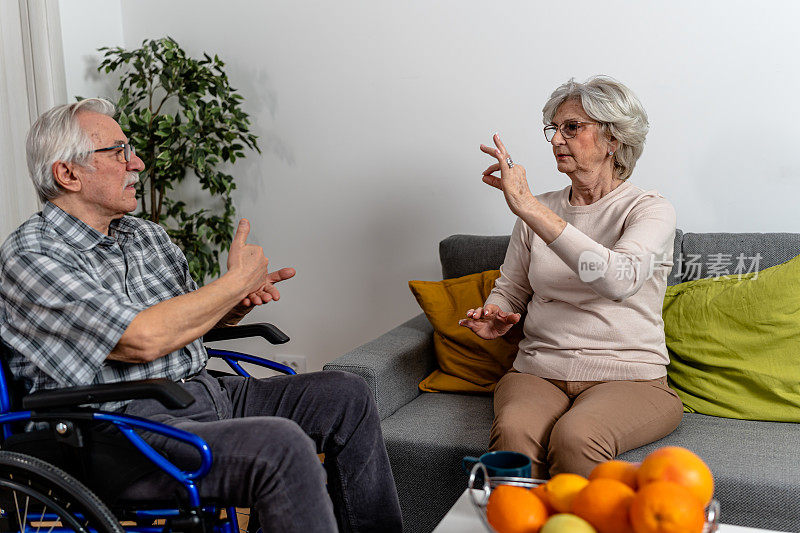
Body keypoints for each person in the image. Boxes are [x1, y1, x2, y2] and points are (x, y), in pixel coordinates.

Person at [0, 98, 402, 533]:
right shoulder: (33, 254)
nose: (136, 162)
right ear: (68, 173)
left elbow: (186, 318)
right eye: (118, 152)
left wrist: (231, 306)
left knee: (347, 395)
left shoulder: (143, 235)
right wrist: (232, 282)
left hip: (202, 394)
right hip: (115, 430)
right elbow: (141, 339)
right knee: (280, 447)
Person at [458, 76, 684, 479]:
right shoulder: (538, 210)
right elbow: (512, 288)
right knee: (514, 432)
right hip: (539, 370)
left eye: (572, 128)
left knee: (576, 436)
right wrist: (497, 312)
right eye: (554, 128)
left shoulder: (650, 210)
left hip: (629, 377)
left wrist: (527, 206)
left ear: (613, 139)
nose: (556, 140)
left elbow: (617, 279)